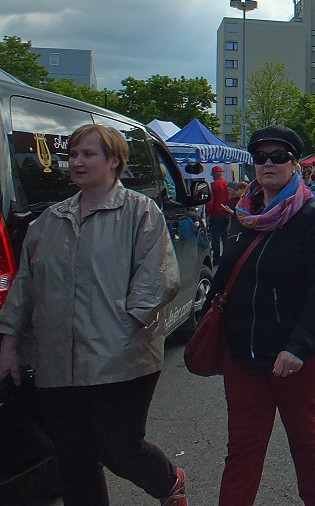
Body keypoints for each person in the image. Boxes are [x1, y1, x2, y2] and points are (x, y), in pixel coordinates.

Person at [0, 123, 188, 506]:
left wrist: (123, 328)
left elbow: (159, 279)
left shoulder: (139, 213)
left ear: (114, 161)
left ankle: (169, 482)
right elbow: (25, 288)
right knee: (73, 460)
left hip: (122, 361)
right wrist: (10, 341)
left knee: (119, 449)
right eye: (73, 154)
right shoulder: (47, 223)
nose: (77, 162)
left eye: (88, 154)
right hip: (57, 363)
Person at [210, 124, 315, 506]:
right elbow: (225, 273)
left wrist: (298, 346)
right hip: (244, 352)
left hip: (297, 354)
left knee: (304, 436)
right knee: (243, 448)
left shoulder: (310, 215)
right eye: (260, 156)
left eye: (278, 156)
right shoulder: (243, 214)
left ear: (294, 163)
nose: (268, 163)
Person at [208, 164, 232, 265]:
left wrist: (208, 213)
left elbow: (210, 201)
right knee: (225, 236)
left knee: (215, 237)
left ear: (214, 174)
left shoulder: (213, 185)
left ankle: (216, 259)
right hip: (227, 213)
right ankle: (227, 257)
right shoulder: (228, 184)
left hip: (215, 214)